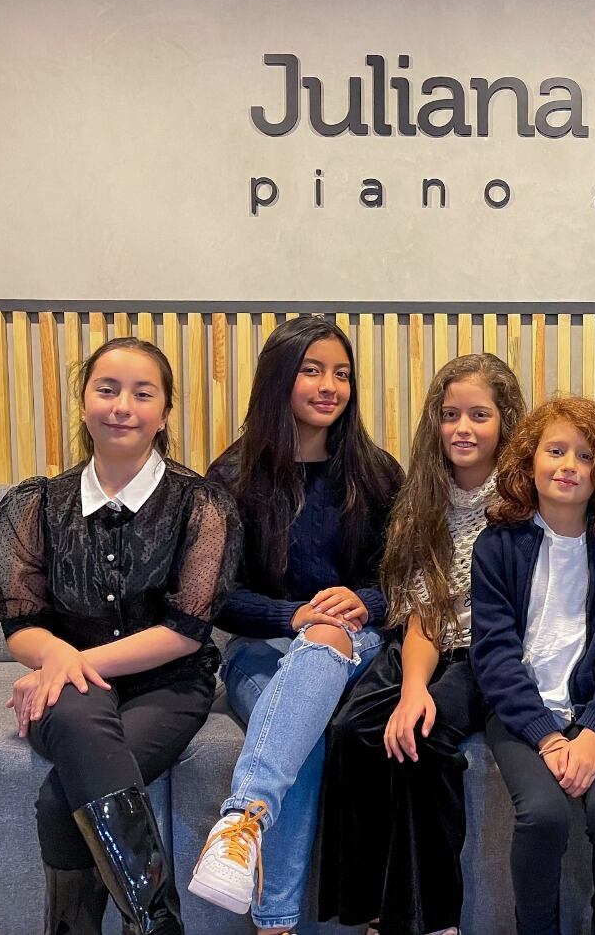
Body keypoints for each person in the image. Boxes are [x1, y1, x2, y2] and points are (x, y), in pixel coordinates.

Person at [0, 337, 240, 935]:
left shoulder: (201, 505)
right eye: (107, 389)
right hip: (71, 688)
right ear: (83, 404)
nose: (122, 405)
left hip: (169, 685)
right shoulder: (36, 504)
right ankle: (157, 923)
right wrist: (54, 657)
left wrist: (66, 662)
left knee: (58, 800)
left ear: (164, 413)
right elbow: (21, 624)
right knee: (75, 709)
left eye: (142, 393)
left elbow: (186, 630)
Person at [188, 316, 404, 935]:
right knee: (300, 728)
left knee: (327, 639)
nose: (328, 385)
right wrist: (291, 614)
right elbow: (214, 598)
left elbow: (406, 581)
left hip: (356, 645)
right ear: (279, 378)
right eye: (311, 370)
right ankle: (279, 919)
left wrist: (364, 602)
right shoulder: (231, 477)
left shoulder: (376, 472)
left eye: (341, 373)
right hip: (259, 647)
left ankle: (244, 824)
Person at [319, 353, 526, 935]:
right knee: (351, 730)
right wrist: (412, 687)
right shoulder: (421, 498)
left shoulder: (523, 500)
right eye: (450, 414)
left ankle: (437, 921)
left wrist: (420, 702)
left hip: (492, 653)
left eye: (479, 415)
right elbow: (421, 612)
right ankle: (370, 910)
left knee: (423, 738)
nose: (463, 428)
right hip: (425, 639)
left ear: (506, 422)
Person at [470, 396, 595, 935]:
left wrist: (594, 732)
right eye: (555, 451)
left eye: (585, 456)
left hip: (592, 714)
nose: (569, 465)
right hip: (521, 716)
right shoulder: (497, 545)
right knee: (544, 815)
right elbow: (494, 653)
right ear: (530, 460)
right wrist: (547, 738)